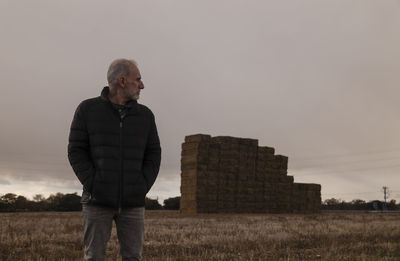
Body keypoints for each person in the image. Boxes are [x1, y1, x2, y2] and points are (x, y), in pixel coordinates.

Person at [68, 58, 161, 261]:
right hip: (96, 201)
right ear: (122, 81)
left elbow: (154, 153)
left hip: (133, 202)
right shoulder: (87, 110)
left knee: (133, 257)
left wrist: (141, 186)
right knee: (94, 257)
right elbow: (76, 150)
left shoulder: (145, 116)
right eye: (138, 79)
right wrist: (94, 184)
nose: (142, 85)